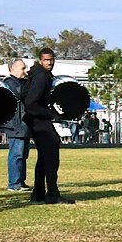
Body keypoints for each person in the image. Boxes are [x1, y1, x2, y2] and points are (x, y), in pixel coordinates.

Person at [22, 48, 71, 204]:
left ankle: (38, 194)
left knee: (44, 157)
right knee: (51, 156)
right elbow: (30, 102)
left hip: (36, 119)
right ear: (40, 60)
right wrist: (51, 114)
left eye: (51, 60)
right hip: (38, 120)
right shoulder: (41, 76)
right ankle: (52, 194)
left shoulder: (39, 74)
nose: (50, 63)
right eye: (46, 60)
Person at [1, 59, 30, 192]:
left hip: (23, 124)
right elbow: (20, 93)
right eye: (22, 69)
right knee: (16, 154)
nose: (25, 72)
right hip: (15, 124)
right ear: (13, 69)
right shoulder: (9, 83)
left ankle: (20, 181)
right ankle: (14, 184)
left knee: (23, 155)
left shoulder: (22, 82)